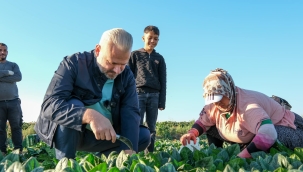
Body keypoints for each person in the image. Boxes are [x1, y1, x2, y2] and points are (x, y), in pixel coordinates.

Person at [34, 28, 151, 160]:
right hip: (70, 133)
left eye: (122, 64)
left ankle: (99, 163)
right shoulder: (73, 63)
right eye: (112, 63)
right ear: (98, 50)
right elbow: (49, 106)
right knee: (74, 104)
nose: (117, 70)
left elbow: (131, 113)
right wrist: (88, 116)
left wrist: (129, 152)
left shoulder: (127, 75)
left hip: (103, 135)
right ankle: (66, 165)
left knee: (141, 136)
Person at [180, 68, 303, 158]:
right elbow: (203, 121)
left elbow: (269, 133)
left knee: (271, 142)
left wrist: (242, 157)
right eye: (213, 100)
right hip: (251, 131)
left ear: (229, 92)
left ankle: (247, 149)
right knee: (211, 126)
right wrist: (192, 133)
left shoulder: (248, 106)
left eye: (219, 98)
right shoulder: (214, 104)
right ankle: (217, 153)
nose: (217, 104)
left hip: (288, 126)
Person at [128, 25, 167, 152]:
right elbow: (128, 77)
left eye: (156, 39)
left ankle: (150, 153)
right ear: (143, 38)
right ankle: (134, 151)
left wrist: (162, 102)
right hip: (138, 94)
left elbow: (163, 80)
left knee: (152, 127)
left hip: (154, 96)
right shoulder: (134, 55)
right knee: (136, 124)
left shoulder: (159, 58)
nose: (152, 41)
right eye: (150, 38)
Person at [0, 43, 23, 156]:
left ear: (7, 52)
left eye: (5, 50)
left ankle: (18, 151)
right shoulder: (9, 69)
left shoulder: (13, 65)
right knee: (0, 129)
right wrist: (6, 73)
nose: (2, 52)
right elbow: (12, 77)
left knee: (16, 127)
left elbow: (18, 77)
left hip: (13, 102)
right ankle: (2, 152)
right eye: (0, 50)